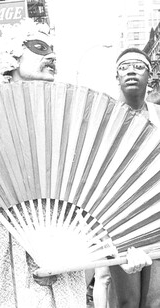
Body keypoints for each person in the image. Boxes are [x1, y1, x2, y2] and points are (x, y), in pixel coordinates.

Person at [0, 20, 153, 308]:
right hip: (5, 257)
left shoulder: (73, 120)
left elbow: (102, 194)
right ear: (10, 58)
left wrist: (126, 249)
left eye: (52, 49)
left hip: (65, 260)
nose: (51, 55)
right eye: (38, 47)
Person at [108, 47, 160, 308]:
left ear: (149, 77)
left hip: (157, 218)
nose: (131, 70)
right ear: (116, 76)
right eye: (124, 66)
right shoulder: (104, 117)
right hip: (120, 220)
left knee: (155, 300)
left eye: (138, 67)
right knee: (126, 301)